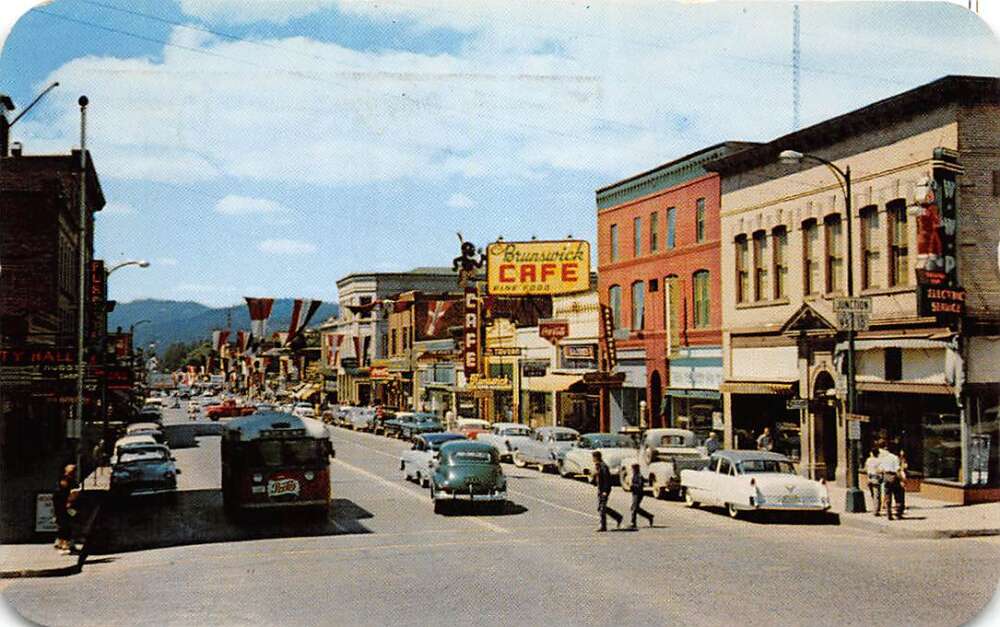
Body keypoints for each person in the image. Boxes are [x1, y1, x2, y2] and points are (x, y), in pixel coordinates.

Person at [52, 464, 79, 554]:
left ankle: (67, 543)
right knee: (64, 524)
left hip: (69, 505)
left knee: (68, 523)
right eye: (72, 469)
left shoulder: (71, 480)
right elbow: (63, 492)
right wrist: (68, 502)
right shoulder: (65, 480)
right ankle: (63, 544)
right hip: (63, 505)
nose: (73, 471)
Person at [593, 451, 622, 532]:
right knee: (601, 508)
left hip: (604, 490)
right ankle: (618, 517)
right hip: (600, 489)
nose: (593, 460)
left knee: (602, 508)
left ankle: (603, 526)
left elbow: (607, 480)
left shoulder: (603, 466)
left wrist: (605, 491)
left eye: (593, 458)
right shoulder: (598, 466)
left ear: (596, 457)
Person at [877, 442, 904, 520]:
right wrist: (901, 479)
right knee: (898, 494)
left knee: (888, 495)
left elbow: (880, 469)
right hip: (893, 476)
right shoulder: (895, 458)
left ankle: (889, 513)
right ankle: (898, 513)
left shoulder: (884, 458)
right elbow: (897, 469)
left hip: (886, 476)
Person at [627, 463, 654, 529]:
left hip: (639, 493)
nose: (632, 470)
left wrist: (632, 486)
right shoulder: (635, 475)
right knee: (635, 508)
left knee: (634, 508)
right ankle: (649, 516)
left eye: (633, 468)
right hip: (635, 493)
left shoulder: (639, 476)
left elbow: (640, 485)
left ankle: (633, 523)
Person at [864, 446, 883, 516]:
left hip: (869, 478)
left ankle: (875, 507)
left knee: (873, 494)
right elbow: (880, 470)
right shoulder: (879, 461)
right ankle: (876, 511)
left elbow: (866, 468)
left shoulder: (868, 460)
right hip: (876, 478)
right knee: (877, 495)